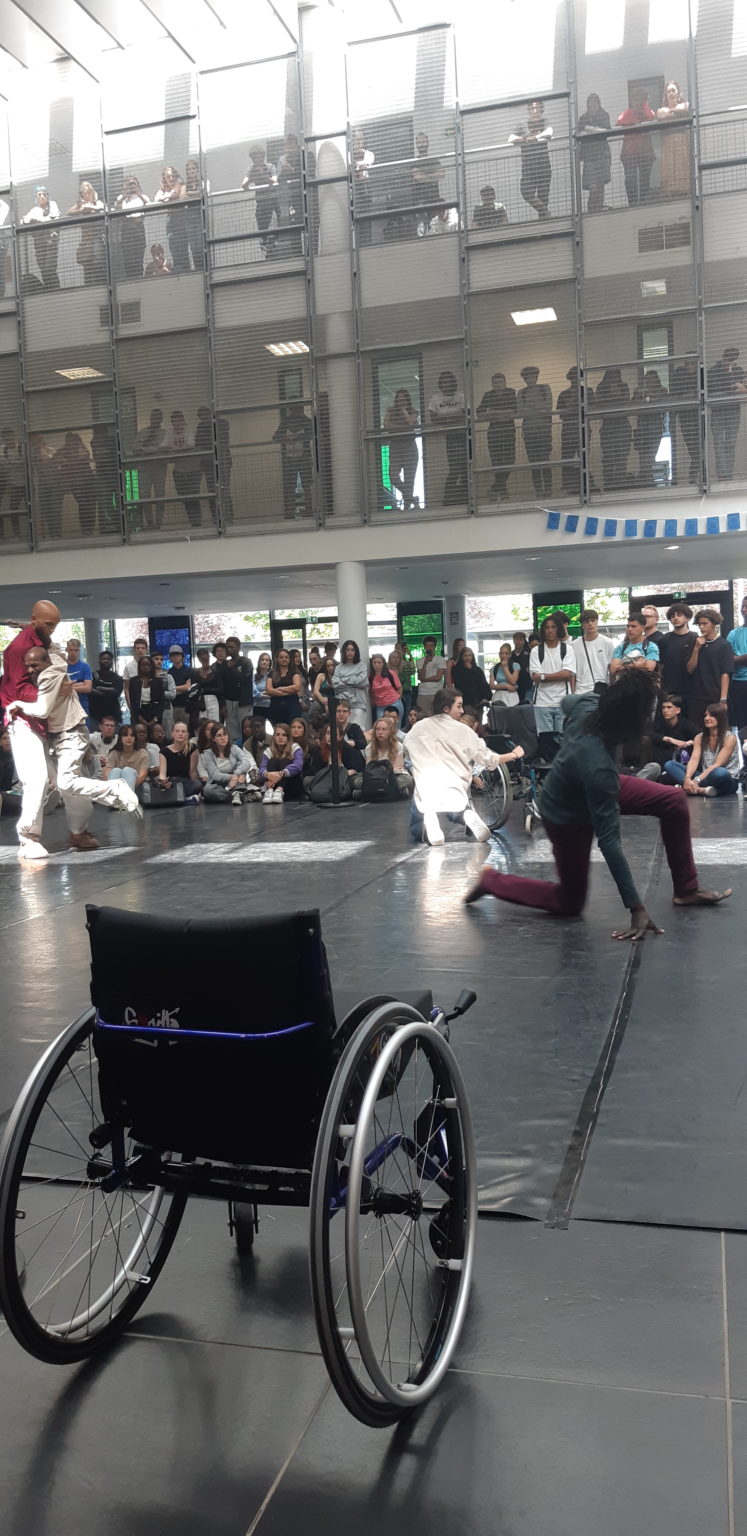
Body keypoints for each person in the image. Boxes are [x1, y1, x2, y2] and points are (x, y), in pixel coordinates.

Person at [466, 672, 732, 933]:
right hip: (566, 813)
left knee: (673, 800)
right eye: (645, 716)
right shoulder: (598, 766)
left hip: (591, 783)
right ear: (628, 720)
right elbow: (610, 843)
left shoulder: (591, 704)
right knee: (569, 902)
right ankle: (492, 880)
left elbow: (567, 702)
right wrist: (635, 907)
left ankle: (686, 889)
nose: (649, 721)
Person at [7, 645, 142, 849]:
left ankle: (115, 789)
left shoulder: (49, 674)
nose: (31, 670)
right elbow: (55, 652)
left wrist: (19, 704)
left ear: (46, 661)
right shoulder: (55, 664)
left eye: (35, 665)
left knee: (66, 782)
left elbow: (42, 709)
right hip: (57, 737)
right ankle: (78, 832)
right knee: (65, 786)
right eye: (28, 666)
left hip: (70, 733)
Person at [407, 686, 524, 845]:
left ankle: (429, 823)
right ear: (446, 708)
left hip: (427, 785)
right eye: (459, 706)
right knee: (457, 805)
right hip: (454, 785)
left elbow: (406, 749)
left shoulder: (419, 727)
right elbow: (486, 758)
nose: (462, 711)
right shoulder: (464, 731)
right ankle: (466, 815)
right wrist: (513, 755)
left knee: (418, 821)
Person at [1, 601, 66, 859]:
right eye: (48, 624)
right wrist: (52, 692)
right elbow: (20, 690)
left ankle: (32, 832)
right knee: (36, 779)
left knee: (52, 781)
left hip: (37, 720)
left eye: (55, 625)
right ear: (34, 619)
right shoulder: (20, 647)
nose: (52, 629)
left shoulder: (39, 641)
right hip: (22, 720)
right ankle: (27, 838)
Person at [665, 703, 740, 796]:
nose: (707, 718)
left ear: (720, 718)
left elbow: (717, 764)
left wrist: (697, 780)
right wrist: (687, 778)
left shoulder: (730, 738)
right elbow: (694, 759)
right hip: (705, 777)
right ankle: (699, 789)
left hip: (726, 779)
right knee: (670, 764)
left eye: (711, 716)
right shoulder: (699, 737)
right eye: (706, 715)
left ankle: (693, 788)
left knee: (720, 772)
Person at [529, 614, 577, 754]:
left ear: (559, 629)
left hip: (563, 702)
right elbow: (535, 677)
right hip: (542, 703)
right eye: (547, 627)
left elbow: (567, 674)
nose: (550, 630)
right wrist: (557, 676)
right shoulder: (536, 651)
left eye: (553, 627)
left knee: (564, 742)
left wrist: (543, 676)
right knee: (545, 743)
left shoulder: (567, 649)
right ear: (543, 630)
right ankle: (546, 768)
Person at [686, 608, 734, 728]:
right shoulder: (695, 643)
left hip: (715, 696)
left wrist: (723, 699)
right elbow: (690, 669)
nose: (701, 627)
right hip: (697, 696)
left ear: (714, 624)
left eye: (705, 623)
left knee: (718, 731)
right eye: (699, 624)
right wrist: (696, 649)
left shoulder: (724, 645)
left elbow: (725, 673)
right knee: (696, 731)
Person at [707, 348, 746, 482]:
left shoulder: (739, 371)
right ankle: (723, 476)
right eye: (728, 357)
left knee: (730, 443)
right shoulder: (712, 371)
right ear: (723, 356)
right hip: (717, 411)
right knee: (718, 443)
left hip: (733, 410)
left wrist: (730, 372)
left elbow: (738, 389)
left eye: (733, 358)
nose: (730, 360)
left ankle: (728, 475)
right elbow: (713, 390)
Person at [509, 100, 553, 219]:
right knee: (526, 192)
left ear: (541, 109)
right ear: (528, 110)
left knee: (543, 197)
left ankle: (544, 222)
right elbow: (511, 138)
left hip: (543, 166)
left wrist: (535, 137)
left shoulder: (544, 122)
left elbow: (549, 132)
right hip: (528, 166)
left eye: (537, 108)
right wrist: (525, 139)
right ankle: (547, 213)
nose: (535, 110)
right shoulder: (522, 124)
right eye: (532, 108)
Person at [476, 373, 516, 500]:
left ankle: (496, 488)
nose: (498, 385)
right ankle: (502, 490)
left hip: (509, 430)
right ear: (492, 384)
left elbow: (514, 410)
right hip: (494, 432)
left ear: (505, 383)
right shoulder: (488, 395)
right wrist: (502, 413)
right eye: (496, 382)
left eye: (501, 382)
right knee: (497, 461)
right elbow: (479, 413)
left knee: (510, 460)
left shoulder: (511, 392)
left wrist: (493, 412)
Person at [638, 693, 698, 778]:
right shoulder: (659, 723)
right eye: (663, 707)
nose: (665, 710)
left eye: (669, 707)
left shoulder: (685, 724)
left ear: (678, 710)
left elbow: (700, 735)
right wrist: (669, 739)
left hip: (680, 764)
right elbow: (646, 733)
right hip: (660, 764)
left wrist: (687, 743)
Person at [428, 372, 467, 503]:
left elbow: (466, 414)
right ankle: (448, 500)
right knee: (454, 468)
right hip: (451, 436)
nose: (446, 384)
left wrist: (447, 418)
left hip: (463, 434)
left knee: (465, 467)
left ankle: (466, 498)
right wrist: (451, 418)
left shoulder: (461, 396)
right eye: (444, 382)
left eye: (449, 382)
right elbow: (434, 418)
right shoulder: (436, 398)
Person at [616, 91, 657, 207]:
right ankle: (632, 204)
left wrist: (643, 112)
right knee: (631, 180)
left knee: (645, 180)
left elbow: (652, 118)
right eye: (636, 99)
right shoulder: (627, 113)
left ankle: (643, 203)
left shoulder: (649, 112)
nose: (638, 102)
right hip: (630, 153)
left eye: (641, 99)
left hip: (645, 152)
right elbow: (618, 124)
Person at [273, 404, 314, 518]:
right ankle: (291, 512)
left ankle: (307, 511)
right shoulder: (286, 421)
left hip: (303, 458)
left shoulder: (306, 421)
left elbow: (311, 434)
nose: (295, 411)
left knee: (305, 486)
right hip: (290, 459)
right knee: (292, 486)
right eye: (294, 409)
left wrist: (295, 437)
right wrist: (286, 438)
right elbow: (275, 437)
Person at [356, 716, 413, 799]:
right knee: (356, 780)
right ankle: (394, 792)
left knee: (406, 779)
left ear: (390, 731)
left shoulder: (398, 746)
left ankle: (368, 792)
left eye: (384, 729)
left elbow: (397, 769)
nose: (380, 732)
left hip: (391, 778)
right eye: (377, 729)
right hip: (374, 778)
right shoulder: (369, 748)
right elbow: (369, 768)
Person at [556, 367, 593, 495]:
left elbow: (592, 408)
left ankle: (585, 484)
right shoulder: (563, 394)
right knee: (567, 458)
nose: (575, 379)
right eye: (572, 376)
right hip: (568, 430)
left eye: (577, 376)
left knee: (584, 457)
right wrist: (572, 402)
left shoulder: (588, 391)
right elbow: (561, 414)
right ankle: (567, 484)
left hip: (583, 428)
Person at [517, 366, 553, 496]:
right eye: (527, 376)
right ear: (524, 378)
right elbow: (520, 411)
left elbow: (548, 407)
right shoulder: (521, 392)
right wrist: (539, 409)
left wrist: (530, 409)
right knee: (534, 462)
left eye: (532, 376)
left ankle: (548, 489)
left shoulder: (545, 388)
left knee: (545, 459)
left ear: (536, 376)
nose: (530, 379)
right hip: (529, 432)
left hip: (544, 430)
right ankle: (538, 490)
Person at [201, 723, 259, 804]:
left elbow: (246, 762)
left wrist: (236, 774)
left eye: (225, 734)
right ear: (214, 738)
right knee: (207, 791)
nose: (223, 738)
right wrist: (233, 777)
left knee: (240, 764)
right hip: (218, 784)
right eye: (219, 735)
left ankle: (237, 794)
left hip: (236, 781)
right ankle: (240, 796)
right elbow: (215, 775)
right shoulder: (208, 753)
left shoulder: (234, 748)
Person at [595, 368, 632, 490]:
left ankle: (621, 484)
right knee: (609, 457)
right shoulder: (601, 387)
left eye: (616, 375)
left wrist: (617, 394)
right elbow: (598, 403)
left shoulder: (623, 386)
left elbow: (626, 400)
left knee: (622, 457)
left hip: (622, 424)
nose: (614, 378)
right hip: (608, 425)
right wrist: (611, 396)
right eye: (611, 375)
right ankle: (609, 485)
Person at [54, 434, 96, 537]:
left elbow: (85, 459)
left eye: (75, 442)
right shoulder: (63, 451)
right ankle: (86, 529)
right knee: (84, 504)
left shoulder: (82, 450)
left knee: (90, 505)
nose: (74, 444)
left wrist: (69, 461)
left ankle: (89, 529)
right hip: (75, 483)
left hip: (88, 482)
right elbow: (56, 460)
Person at [383, 390, 419, 511]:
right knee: (393, 476)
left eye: (403, 400)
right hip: (395, 447)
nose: (401, 402)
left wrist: (404, 411)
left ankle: (406, 507)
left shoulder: (413, 411)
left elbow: (410, 422)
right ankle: (413, 499)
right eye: (399, 400)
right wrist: (404, 428)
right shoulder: (391, 412)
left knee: (409, 479)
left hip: (410, 447)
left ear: (408, 400)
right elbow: (386, 426)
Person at [165, 410, 201, 527]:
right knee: (184, 496)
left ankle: (196, 522)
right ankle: (193, 520)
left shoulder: (189, 430)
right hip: (179, 470)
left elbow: (190, 445)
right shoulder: (170, 432)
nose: (176, 424)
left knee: (193, 496)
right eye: (174, 422)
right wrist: (171, 448)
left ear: (183, 421)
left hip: (193, 469)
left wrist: (176, 450)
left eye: (178, 421)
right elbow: (163, 446)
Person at [577, 93, 612, 213]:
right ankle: (592, 212)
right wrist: (596, 131)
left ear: (598, 104)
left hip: (602, 155)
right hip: (589, 158)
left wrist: (589, 129)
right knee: (593, 187)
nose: (592, 107)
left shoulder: (604, 115)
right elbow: (579, 135)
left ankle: (598, 211)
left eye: (594, 105)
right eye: (590, 105)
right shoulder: (583, 118)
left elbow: (606, 132)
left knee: (601, 187)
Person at [133, 409, 167, 532]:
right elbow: (135, 449)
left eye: (158, 417)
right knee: (144, 495)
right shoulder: (142, 433)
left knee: (160, 494)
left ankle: (158, 523)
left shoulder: (164, 433)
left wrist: (145, 449)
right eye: (153, 417)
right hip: (144, 468)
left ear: (161, 419)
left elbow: (163, 448)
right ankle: (150, 522)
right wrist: (149, 446)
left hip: (159, 467)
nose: (155, 419)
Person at [632, 370, 668, 484]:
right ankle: (646, 480)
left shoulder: (663, 391)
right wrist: (639, 395)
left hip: (655, 426)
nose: (650, 382)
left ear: (657, 380)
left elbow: (665, 404)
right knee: (643, 457)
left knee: (651, 455)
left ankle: (647, 480)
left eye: (652, 379)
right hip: (642, 427)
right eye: (647, 379)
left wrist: (653, 396)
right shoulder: (640, 391)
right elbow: (634, 406)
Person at [242, 145, 280, 253]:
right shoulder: (251, 169)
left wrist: (264, 176)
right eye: (254, 158)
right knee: (262, 226)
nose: (257, 160)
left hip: (272, 201)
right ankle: (265, 249)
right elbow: (244, 185)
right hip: (261, 202)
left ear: (263, 156)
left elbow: (275, 181)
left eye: (259, 157)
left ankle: (275, 246)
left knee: (274, 226)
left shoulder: (270, 167)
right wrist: (251, 179)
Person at [21, 187, 60, 289]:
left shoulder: (53, 205)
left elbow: (54, 219)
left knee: (49, 267)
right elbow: (24, 220)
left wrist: (39, 221)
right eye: (39, 194)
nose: (42, 196)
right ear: (36, 198)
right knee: (42, 267)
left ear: (48, 196)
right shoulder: (35, 210)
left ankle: (56, 290)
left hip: (50, 241)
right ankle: (49, 290)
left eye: (44, 194)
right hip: (39, 242)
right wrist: (32, 220)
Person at [67, 181, 106, 285]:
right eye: (84, 192)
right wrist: (81, 210)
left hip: (97, 237)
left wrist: (88, 208)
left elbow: (100, 208)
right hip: (86, 240)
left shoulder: (97, 203)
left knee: (98, 263)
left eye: (88, 191)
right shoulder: (80, 205)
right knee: (87, 263)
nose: (86, 194)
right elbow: (69, 212)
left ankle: (101, 284)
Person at [656, 81, 691, 198]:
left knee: (682, 164)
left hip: (682, 140)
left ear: (678, 93)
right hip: (668, 142)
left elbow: (687, 109)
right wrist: (677, 113)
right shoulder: (662, 109)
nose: (671, 93)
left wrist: (672, 111)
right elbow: (661, 115)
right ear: (666, 95)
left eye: (673, 90)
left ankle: (684, 191)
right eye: (668, 91)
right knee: (669, 166)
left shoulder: (684, 105)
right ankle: (669, 194)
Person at [658, 602, 696, 706]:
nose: (675, 618)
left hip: (691, 690)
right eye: (672, 616)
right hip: (669, 690)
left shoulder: (695, 638)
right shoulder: (663, 640)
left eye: (679, 615)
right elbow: (660, 666)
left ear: (687, 618)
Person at [257, 722, 304, 801]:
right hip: (273, 786)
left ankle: (279, 790)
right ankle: (270, 791)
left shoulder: (295, 748)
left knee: (285, 760)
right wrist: (267, 775)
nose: (280, 737)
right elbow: (261, 770)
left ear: (288, 737)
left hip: (292, 786)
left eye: (284, 735)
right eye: (278, 735)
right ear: (274, 737)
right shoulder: (269, 751)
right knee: (273, 760)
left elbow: (298, 765)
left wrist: (281, 773)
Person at [153, 166, 188, 272]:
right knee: (173, 247)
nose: (171, 178)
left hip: (180, 220)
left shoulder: (178, 183)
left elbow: (175, 195)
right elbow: (156, 199)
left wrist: (166, 198)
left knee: (181, 248)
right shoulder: (165, 188)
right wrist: (165, 195)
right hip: (171, 221)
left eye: (172, 175)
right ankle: (179, 269)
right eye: (168, 176)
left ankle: (183, 270)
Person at [573, 608, 615, 696]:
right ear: (582, 625)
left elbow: (611, 668)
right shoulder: (574, 645)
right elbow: (572, 672)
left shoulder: (607, 642)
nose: (590, 624)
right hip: (580, 690)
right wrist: (573, 691)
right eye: (586, 622)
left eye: (593, 620)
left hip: (601, 689)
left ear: (597, 622)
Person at [671, 356, 700, 485]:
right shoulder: (679, 376)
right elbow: (674, 394)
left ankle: (695, 475)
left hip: (699, 416)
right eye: (687, 363)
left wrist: (694, 394)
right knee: (692, 449)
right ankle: (695, 475)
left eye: (692, 363)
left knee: (700, 447)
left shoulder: (700, 375)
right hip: (685, 417)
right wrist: (685, 396)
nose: (689, 366)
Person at [113, 176, 149, 279]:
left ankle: (139, 279)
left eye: (133, 183)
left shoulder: (142, 196)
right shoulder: (121, 198)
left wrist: (138, 193)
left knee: (139, 257)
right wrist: (125, 196)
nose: (131, 186)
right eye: (129, 184)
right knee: (128, 259)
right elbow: (117, 209)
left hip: (138, 226)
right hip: (126, 228)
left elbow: (148, 205)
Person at [157, 719, 202, 800]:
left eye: (183, 731)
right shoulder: (164, 751)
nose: (180, 734)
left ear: (187, 734)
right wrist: (163, 782)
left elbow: (192, 772)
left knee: (197, 785)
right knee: (162, 788)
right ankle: (183, 798)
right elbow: (162, 774)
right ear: (172, 733)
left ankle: (176, 797)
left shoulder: (192, 749)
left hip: (185, 782)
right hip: (170, 782)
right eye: (177, 731)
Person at [29, 434, 62, 540]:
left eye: (37, 441)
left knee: (55, 509)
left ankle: (57, 534)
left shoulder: (51, 450)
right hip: (43, 485)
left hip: (55, 484)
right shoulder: (32, 454)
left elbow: (57, 464)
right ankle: (53, 534)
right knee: (46, 510)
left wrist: (45, 454)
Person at [221, 636, 253, 741]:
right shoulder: (224, 664)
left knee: (246, 730)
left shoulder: (246, 662)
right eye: (227, 647)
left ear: (238, 647)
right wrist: (223, 704)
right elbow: (222, 685)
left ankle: (247, 749)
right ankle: (234, 750)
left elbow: (245, 679)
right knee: (231, 733)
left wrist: (233, 668)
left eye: (232, 647)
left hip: (243, 702)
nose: (229, 649)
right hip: (229, 702)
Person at [103, 723, 149, 794]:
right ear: (120, 738)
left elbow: (143, 775)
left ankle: (126, 798)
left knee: (127, 771)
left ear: (135, 738)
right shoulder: (114, 752)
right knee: (115, 770)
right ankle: (113, 798)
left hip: (135, 785)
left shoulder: (143, 753)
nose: (129, 738)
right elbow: (106, 774)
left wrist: (129, 785)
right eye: (125, 735)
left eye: (132, 735)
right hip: (116, 786)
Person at [411, 132, 446, 226]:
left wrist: (424, 176)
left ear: (428, 143)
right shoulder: (414, 162)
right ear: (416, 145)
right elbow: (417, 177)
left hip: (434, 198)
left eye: (423, 141)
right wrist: (432, 176)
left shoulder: (434, 160)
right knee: (422, 226)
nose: (421, 144)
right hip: (420, 200)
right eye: (419, 142)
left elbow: (441, 175)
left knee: (436, 226)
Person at [609, 613, 659, 678]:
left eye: (633, 626)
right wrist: (635, 666)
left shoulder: (650, 647)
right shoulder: (621, 647)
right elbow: (614, 670)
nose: (630, 629)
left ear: (643, 628)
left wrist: (623, 667)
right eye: (628, 626)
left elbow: (648, 671)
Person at [334, 640, 369, 727]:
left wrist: (344, 679)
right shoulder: (338, 668)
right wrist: (354, 684)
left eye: (352, 650)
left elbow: (362, 682)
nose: (350, 652)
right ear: (344, 652)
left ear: (356, 651)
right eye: (348, 650)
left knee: (357, 729)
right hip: (343, 704)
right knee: (343, 730)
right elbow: (336, 685)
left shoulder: (362, 666)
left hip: (358, 703)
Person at [168, 644, 203, 731]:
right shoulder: (169, 672)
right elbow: (168, 690)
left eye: (178, 654)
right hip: (173, 706)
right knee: (175, 731)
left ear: (182, 656)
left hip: (186, 706)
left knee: (186, 730)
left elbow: (188, 687)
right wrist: (181, 689)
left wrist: (173, 689)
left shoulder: (189, 670)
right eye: (173, 655)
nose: (175, 656)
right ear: (170, 658)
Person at [0, 429, 27, 539]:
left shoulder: (23, 447)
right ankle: (17, 534)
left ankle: (32, 534)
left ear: (15, 436)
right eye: (6, 438)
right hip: (14, 485)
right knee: (13, 509)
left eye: (10, 437)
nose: (9, 440)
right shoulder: (2, 450)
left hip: (27, 484)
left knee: (30, 509)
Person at [266, 648, 303, 726]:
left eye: (286, 657)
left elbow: (297, 687)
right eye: (281, 657)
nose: (284, 659)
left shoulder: (294, 672)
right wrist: (288, 692)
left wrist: (280, 689)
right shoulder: (271, 673)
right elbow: (269, 690)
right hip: (276, 707)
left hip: (292, 707)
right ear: (277, 659)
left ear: (290, 659)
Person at [726, 595, 747, 729]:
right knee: (742, 724)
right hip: (739, 684)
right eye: (742, 607)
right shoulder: (733, 634)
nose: (744, 610)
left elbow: (735, 659)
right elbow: (728, 660)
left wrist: (739, 658)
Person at [89, 650, 123, 729]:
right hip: (95, 716)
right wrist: (110, 690)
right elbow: (90, 690)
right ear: (99, 661)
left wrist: (99, 688)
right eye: (103, 659)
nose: (106, 661)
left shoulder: (117, 678)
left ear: (112, 662)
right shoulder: (92, 676)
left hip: (114, 716)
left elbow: (117, 692)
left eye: (108, 659)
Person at [129, 655, 165, 727]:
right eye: (143, 665)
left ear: (152, 667)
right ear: (139, 667)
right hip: (139, 713)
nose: (146, 667)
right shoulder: (133, 681)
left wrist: (155, 719)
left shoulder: (158, 681)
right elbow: (132, 702)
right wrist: (140, 719)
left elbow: (162, 702)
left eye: (148, 665)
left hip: (155, 714)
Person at [452, 647, 491, 714]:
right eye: (465, 656)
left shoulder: (477, 670)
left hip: (478, 701)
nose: (468, 658)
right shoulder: (456, 670)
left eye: (470, 655)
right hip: (464, 701)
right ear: (461, 657)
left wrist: (485, 698)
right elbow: (459, 685)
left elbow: (483, 684)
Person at [183, 158, 205, 270]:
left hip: (200, 215)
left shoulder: (203, 182)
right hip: (189, 217)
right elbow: (183, 196)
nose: (191, 171)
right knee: (193, 246)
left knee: (201, 244)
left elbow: (203, 194)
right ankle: (197, 269)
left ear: (197, 170)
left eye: (193, 168)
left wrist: (190, 194)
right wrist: (196, 194)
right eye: (189, 169)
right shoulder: (185, 184)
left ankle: (204, 268)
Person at [417, 636, 448, 716]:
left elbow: (438, 677)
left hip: (437, 692)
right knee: (423, 717)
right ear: (424, 647)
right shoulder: (419, 661)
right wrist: (425, 664)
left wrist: (424, 679)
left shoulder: (441, 659)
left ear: (435, 647)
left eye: (431, 645)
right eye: (427, 645)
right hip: (423, 693)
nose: (429, 648)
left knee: (438, 716)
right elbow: (421, 677)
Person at [369, 653, 402, 721]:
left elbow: (399, 687)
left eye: (379, 662)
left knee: (395, 725)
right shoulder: (371, 677)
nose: (377, 665)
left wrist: (398, 698)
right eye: (374, 663)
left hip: (394, 702)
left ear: (383, 663)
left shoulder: (390, 673)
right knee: (381, 724)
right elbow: (371, 692)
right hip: (380, 705)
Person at [65, 638, 92, 719]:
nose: (73, 652)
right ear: (67, 649)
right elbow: (59, 686)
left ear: (79, 650)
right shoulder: (62, 666)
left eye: (75, 650)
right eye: (71, 650)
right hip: (66, 706)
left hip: (82, 705)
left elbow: (88, 688)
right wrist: (81, 684)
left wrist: (68, 687)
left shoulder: (85, 666)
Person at [122, 637, 149, 714]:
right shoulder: (128, 667)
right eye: (138, 648)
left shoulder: (151, 665)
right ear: (134, 650)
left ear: (146, 649)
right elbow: (126, 688)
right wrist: (130, 706)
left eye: (142, 648)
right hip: (135, 704)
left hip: (151, 704)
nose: (140, 650)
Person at [194, 647, 221, 722]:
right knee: (202, 723)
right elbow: (194, 688)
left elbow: (221, 689)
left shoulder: (216, 672)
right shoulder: (195, 673)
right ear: (199, 659)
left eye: (206, 658)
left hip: (213, 699)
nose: (204, 660)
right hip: (200, 701)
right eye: (202, 658)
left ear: (209, 657)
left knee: (214, 723)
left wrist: (223, 705)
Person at [508, 632, 532, 703]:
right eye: (516, 639)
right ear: (513, 641)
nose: (518, 642)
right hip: (512, 687)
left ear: (524, 641)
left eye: (521, 639)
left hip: (526, 687)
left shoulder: (529, 655)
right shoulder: (509, 655)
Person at [252, 651, 273, 721]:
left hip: (271, 706)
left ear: (269, 663)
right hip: (257, 707)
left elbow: (274, 691)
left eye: (267, 660)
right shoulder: (253, 677)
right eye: (262, 659)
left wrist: (261, 694)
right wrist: (267, 695)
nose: (264, 662)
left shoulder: (273, 677)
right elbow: (253, 693)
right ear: (259, 662)